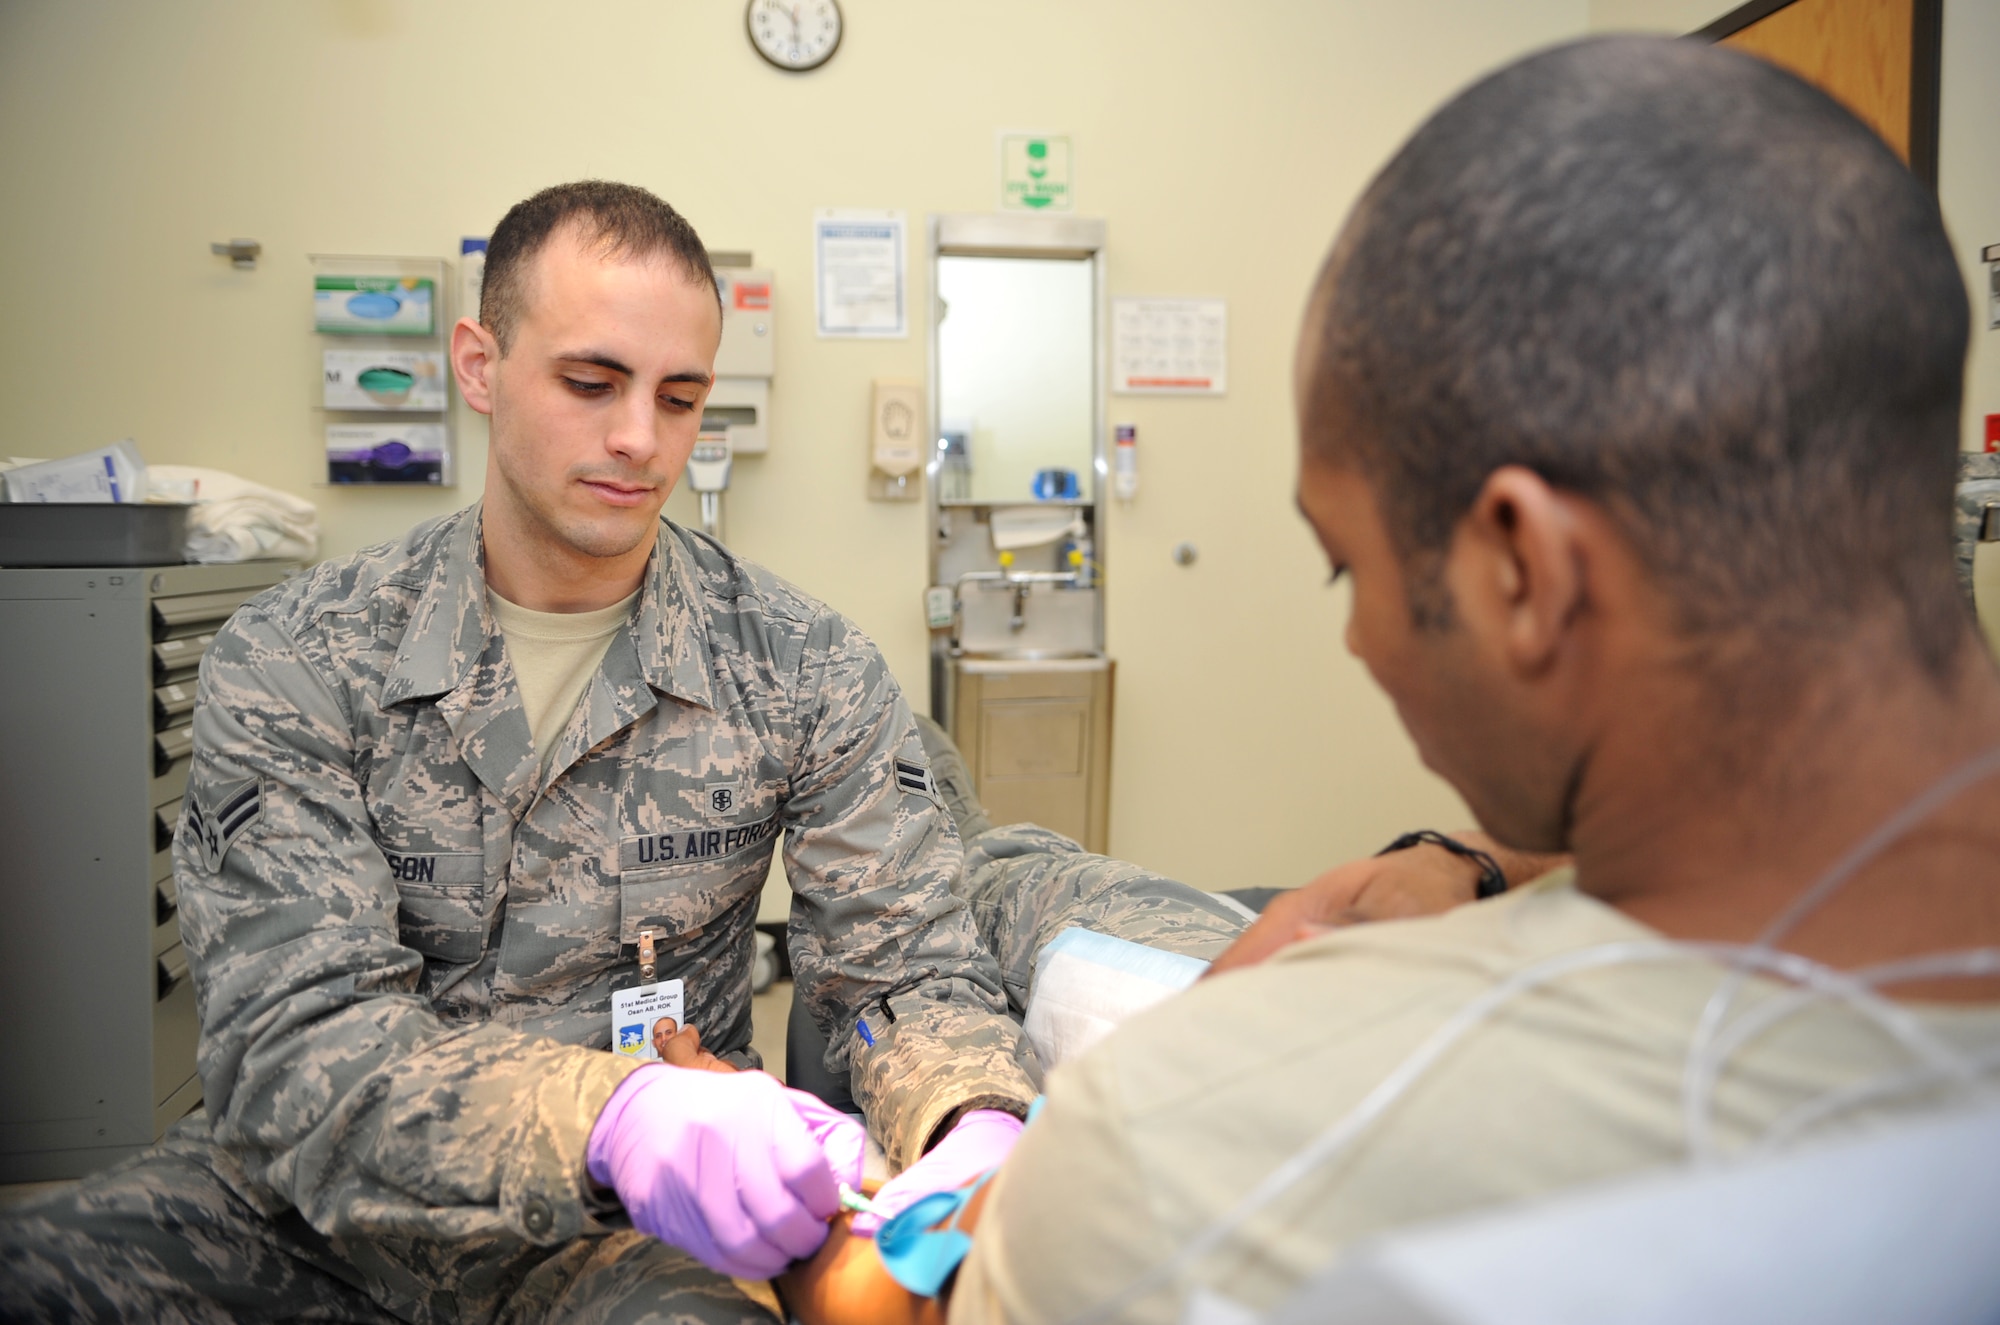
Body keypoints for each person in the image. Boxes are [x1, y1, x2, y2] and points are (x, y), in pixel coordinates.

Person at [774, 35, 2000, 1325]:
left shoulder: (1188, 1137)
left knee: (981, 871)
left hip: (1128, 1075)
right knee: (980, 845)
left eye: (1340, 565)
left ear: (1522, 570)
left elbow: (897, 1294)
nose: (1356, 642)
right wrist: (1476, 860)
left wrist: (812, 1219)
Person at [0, 181, 1037, 1324]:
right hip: (304, 1208)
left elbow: (902, 969)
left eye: (680, 397)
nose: (640, 438)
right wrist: (614, 1113)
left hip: (618, 1239)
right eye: (590, 382)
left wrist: (969, 1120)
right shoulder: (301, 653)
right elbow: (296, 1043)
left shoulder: (800, 664)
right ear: (479, 364)